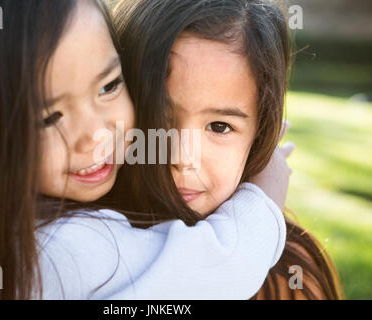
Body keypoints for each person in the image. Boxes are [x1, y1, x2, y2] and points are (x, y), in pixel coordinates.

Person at [0, 0, 287, 299]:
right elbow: (219, 270)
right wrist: (265, 192)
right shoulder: (63, 250)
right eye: (48, 118)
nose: (96, 136)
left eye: (109, 86)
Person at [110, 0, 344, 299]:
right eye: (157, 117)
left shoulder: (288, 274)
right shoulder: (65, 240)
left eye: (219, 127)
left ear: (260, 136)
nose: (182, 157)